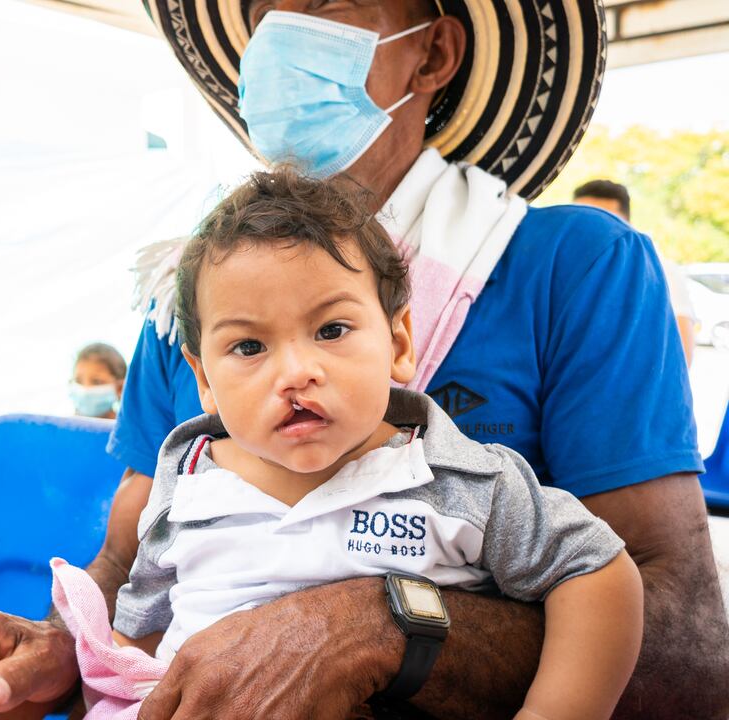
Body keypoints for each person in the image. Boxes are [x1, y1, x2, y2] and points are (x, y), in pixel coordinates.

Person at [0, 1, 726, 719]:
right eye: (264, 12)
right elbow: (132, 570)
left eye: (324, 3)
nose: (282, 35)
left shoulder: (573, 269)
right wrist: (51, 652)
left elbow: (689, 660)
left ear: (433, 52)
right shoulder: (191, 292)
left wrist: (383, 624)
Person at [54, 169, 642, 720]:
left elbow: (595, 570)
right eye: (249, 347)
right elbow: (138, 647)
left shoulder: (461, 483)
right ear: (203, 380)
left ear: (399, 342)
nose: (295, 372)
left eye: (331, 330)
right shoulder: (186, 486)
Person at [573, 179, 698, 366]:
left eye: (604, 223)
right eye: (580, 222)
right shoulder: (563, 273)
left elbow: (681, 357)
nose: (591, 233)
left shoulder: (660, 271)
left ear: (628, 225)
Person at [70, 343, 127, 419]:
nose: (85, 390)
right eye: (78, 381)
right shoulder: (62, 427)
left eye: (96, 382)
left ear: (120, 388)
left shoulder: (126, 429)